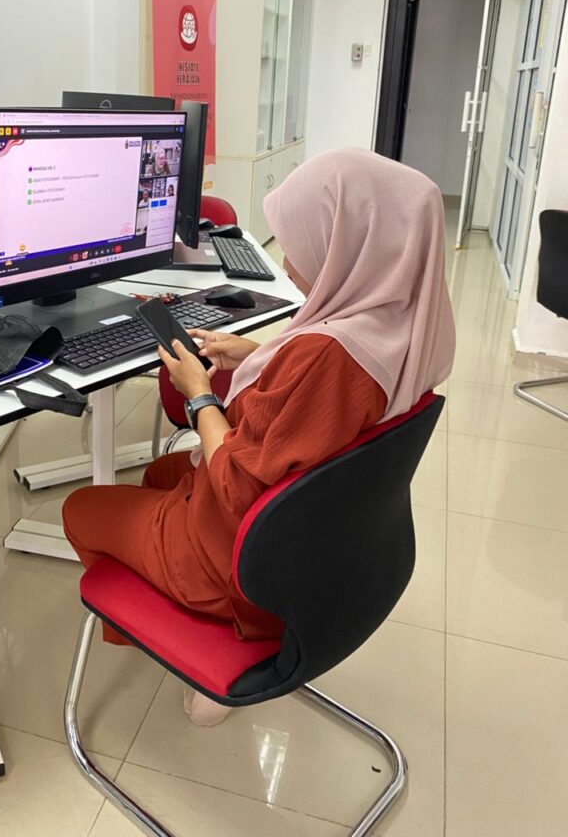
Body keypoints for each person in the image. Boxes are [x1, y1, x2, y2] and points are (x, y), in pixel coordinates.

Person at [63, 149, 455, 726]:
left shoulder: (327, 359)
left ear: (349, 247)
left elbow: (237, 484)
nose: (288, 263)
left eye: (303, 246)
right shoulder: (410, 323)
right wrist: (258, 355)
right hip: (325, 542)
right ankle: (165, 583)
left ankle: (188, 644)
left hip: (248, 562)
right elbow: (325, 401)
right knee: (159, 474)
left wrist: (200, 395)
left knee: (81, 509)